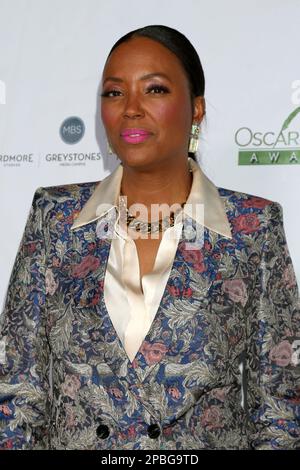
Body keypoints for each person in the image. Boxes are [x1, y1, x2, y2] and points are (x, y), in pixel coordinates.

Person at [0, 24, 299, 450]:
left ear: (196, 109)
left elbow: (281, 410)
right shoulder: (54, 219)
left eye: (154, 89)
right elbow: (15, 398)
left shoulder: (253, 228)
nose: (131, 109)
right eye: (114, 92)